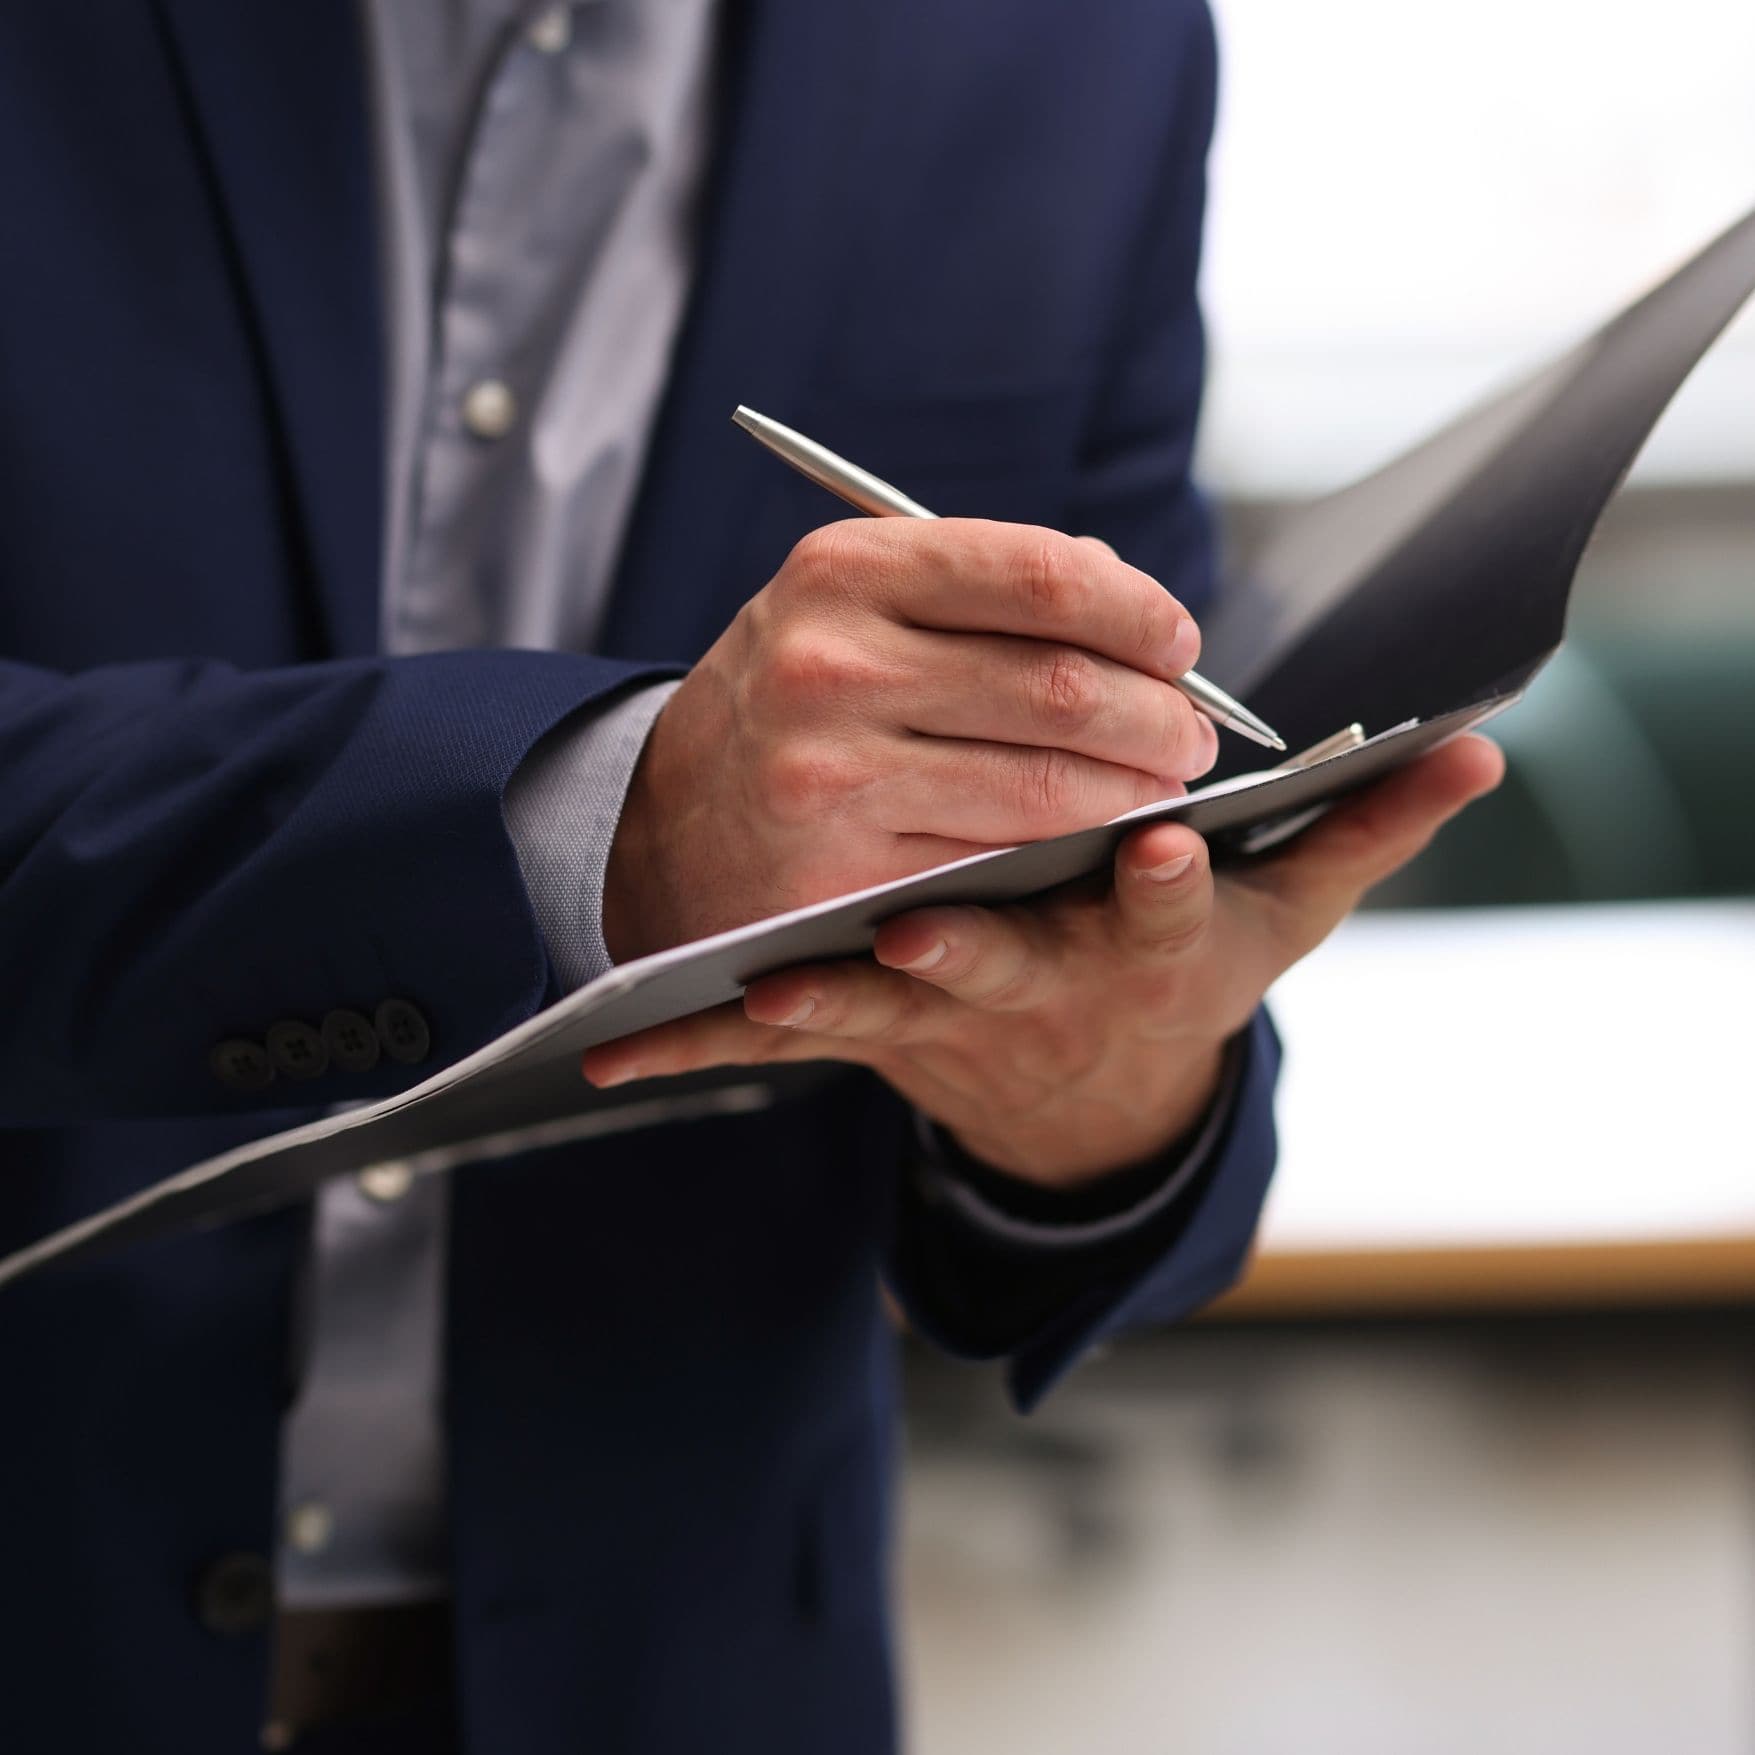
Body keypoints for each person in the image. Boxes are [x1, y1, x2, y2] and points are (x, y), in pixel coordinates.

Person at [0, 2, 1501, 1750]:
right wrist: (608, 824)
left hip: (698, 1670)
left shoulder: (1082, 46)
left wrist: (1103, 1087)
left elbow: (1111, 838)